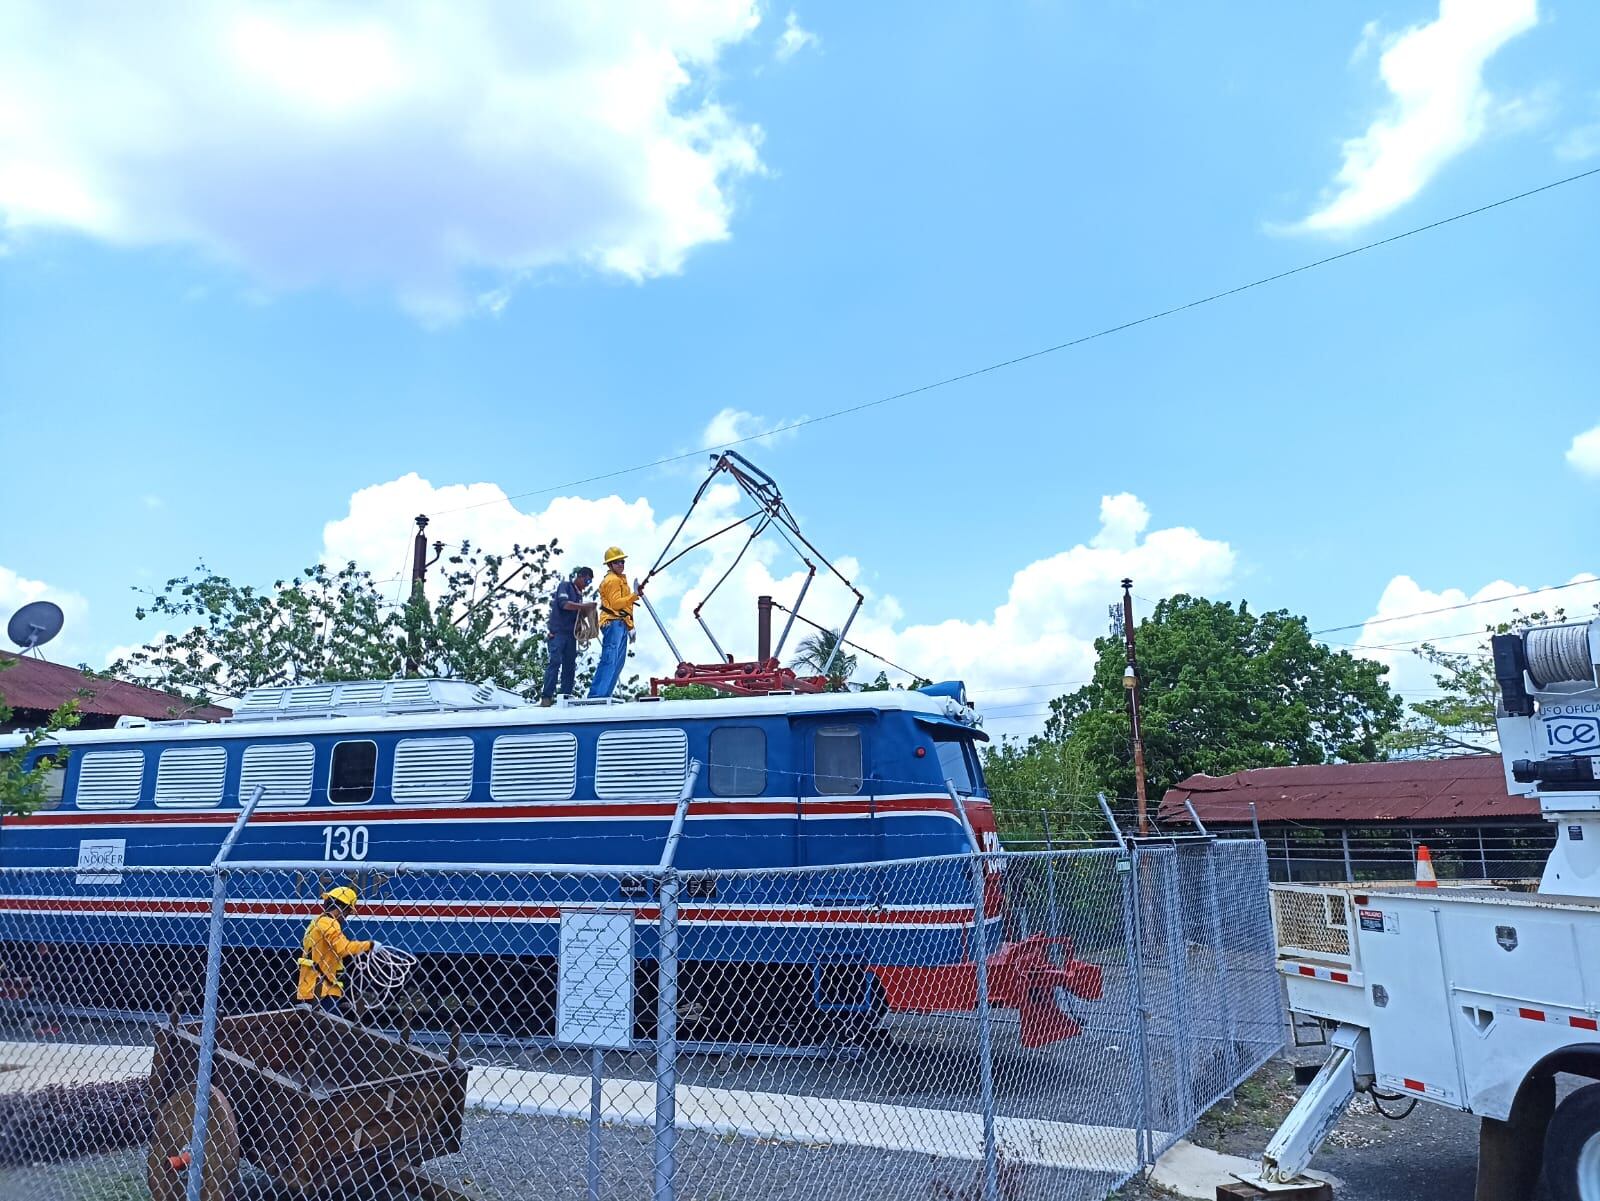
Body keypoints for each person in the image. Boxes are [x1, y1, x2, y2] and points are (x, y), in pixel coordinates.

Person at [296, 886, 377, 1013]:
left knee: (318, 1026)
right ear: (341, 908)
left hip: (314, 985)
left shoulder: (318, 921)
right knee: (332, 1027)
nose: (346, 917)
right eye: (348, 912)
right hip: (323, 988)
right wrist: (370, 945)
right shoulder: (330, 923)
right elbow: (343, 948)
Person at [589, 546, 644, 698]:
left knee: (617, 663)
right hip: (612, 623)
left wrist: (631, 626)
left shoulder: (620, 580)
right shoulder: (612, 580)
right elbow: (616, 604)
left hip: (621, 624)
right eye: (617, 562)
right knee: (609, 660)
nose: (621, 564)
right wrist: (634, 595)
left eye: (622, 562)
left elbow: (625, 608)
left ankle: (604, 695)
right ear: (610, 565)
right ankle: (596, 696)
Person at [541, 566, 595, 706]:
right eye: (587, 581)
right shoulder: (565, 586)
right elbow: (564, 604)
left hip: (571, 635)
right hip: (558, 633)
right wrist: (584, 607)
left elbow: (578, 614)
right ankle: (546, 697)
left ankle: (565, 696)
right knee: (555, 662)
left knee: (570, 666)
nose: (586, 585)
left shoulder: (579, 595)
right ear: (580, 576)